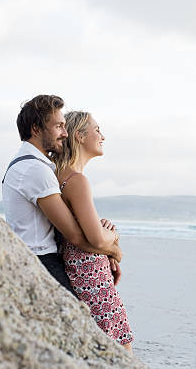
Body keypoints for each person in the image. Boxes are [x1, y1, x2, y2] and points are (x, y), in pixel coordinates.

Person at [2, 95, 122, 295]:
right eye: (58, 126)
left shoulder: (34, 166)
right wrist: (115, 250)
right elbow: (75, 235)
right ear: (36, 129)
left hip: (37, 258)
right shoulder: (35, 169)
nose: (65, 133)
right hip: (41, 262)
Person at [52, 111, 134, 351]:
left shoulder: (59, 175)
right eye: (97, 130)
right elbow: (96, 238)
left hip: (79, 271)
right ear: (79, 136)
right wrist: (114, 239)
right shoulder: (76, 180)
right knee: (121, 349)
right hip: (90, 274)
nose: (103, 136)